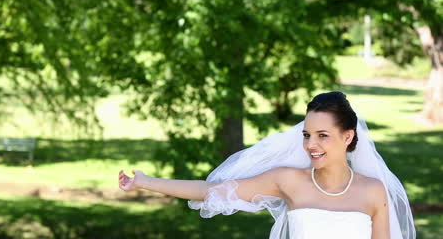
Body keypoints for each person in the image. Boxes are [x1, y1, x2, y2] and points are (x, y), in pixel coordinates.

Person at [118, 91, 415, 239]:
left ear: (348, 136)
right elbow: (211, 190)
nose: (311, 144)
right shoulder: (288, 181)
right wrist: (146, 181)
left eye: (323, 136)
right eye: (307, 135)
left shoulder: (374, 192)